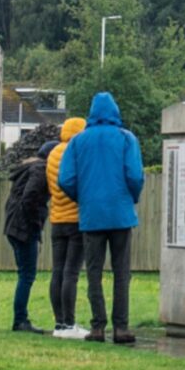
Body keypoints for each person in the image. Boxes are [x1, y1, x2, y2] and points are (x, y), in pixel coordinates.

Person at [55, 90, 144, 344]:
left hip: (91, 215)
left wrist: (83, 197)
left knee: (94, 272)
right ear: (115, 111)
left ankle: (97, 327)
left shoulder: (77, 142)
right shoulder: (127, 139)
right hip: (120, 214)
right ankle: (121, 327)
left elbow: (65, 179)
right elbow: (135, 176)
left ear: (92, 113)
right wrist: (131, 197)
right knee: (121, 272)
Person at [43, 113, 89, 335]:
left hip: (56, 218)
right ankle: (70, 324)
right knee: (71, 273)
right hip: (75, 219)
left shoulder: (52, 153)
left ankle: (59, 323)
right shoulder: (77, 152)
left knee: (57, 271)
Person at [1, 134, 51, 334]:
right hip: (23, 228)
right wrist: (36, 223)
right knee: (27, 275)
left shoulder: (28, 169)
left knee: (24, 273)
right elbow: (29, 198)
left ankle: (20, 319)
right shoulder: (40, 171)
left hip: (13, 226)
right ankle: (20, 320)